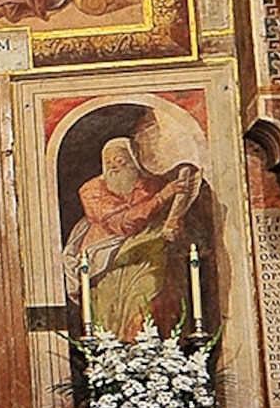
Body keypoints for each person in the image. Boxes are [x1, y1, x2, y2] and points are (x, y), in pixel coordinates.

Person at [65, 134, 211, 339]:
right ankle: (115, 345)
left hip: (148, 250)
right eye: (108, 162)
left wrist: (175, 220)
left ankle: (151, 341)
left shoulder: (152, 184)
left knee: (153, 291)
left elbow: (173, 214)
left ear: (134, 161)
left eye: (120, 160)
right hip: (105, 255)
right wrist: (162, 197)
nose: (113, 167)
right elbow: (121, 224)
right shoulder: (91, 190)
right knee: (109, 303)